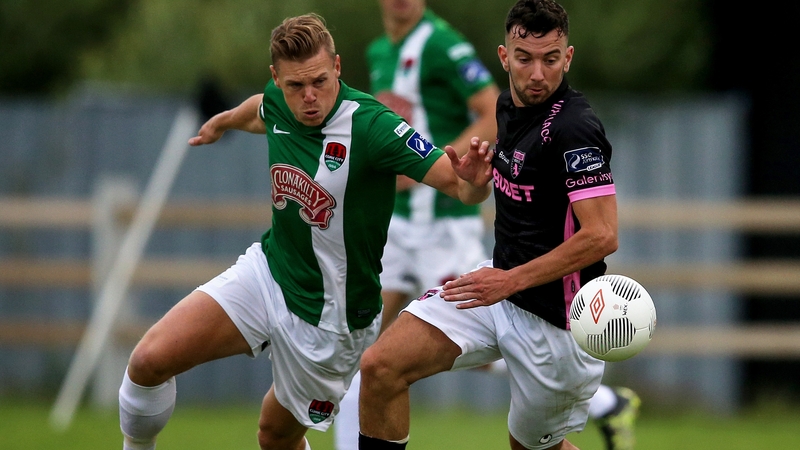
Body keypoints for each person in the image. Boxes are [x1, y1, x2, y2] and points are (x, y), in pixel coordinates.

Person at [116, 13, 492, 450]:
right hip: (269, 273)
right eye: (295, 86)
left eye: (319, 81)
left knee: (274, 436)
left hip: (332, 321)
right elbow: (259, 108)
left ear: (337, 67)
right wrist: (224, 122)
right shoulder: (280, 99)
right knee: (147, 361)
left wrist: (475, 182)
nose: (309, 97)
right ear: (278, 77)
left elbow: (457, 186)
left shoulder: (375, 127)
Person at [357, 1, 633, 449]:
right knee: (380, 367)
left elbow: (602, 235)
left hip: (555, 326)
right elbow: (490, 196)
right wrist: (472, 186)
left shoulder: (574, 129)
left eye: (550, 59)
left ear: (568, 57)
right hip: (496, 292)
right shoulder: (507, 106)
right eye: (525, 59)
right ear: (505, 57)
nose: (537, 74)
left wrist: (509, 281)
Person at [332, 1, 500, 448]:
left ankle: (599, 399)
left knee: (481, 343)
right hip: (400, 227)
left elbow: (494, 110)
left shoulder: (442, 42)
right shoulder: (378, 52)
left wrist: (440, 163)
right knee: (356, 344)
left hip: (444, 225)